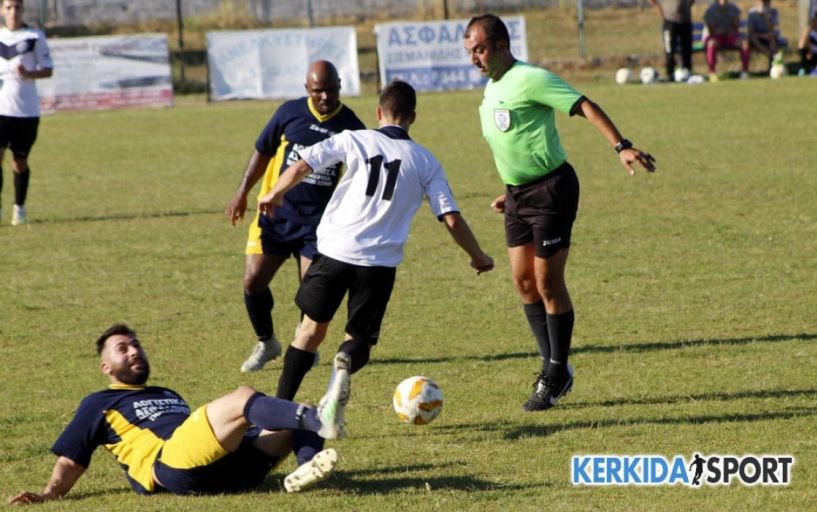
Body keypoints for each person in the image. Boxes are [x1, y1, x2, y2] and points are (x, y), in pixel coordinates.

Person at [257, 80, 494, 437]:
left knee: (309, 332)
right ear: (413, 117)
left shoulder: (355, 138)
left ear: (379, 113)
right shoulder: (426, 161)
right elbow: (451, 218)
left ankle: (278, 414)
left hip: (334, 251)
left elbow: (302, 165)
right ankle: (344, 366)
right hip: (378, 265)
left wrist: (275, 193)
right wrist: (478, 256)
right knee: (359, 342)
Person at [463, 14, 656, 412]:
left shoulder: (530, 78)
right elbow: (515, 142)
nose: (474, 59)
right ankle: (554, 366)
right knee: (522, 283)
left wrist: (621, 146)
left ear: (501, 45)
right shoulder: (492, 88)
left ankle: (554, 372)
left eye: (480, 49)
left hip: (552, 190)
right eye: (470, 52)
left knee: (547, 282)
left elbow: (583, 104)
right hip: (518, 197)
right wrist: (508, 192)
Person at [8, 323, 341, 504]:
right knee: (244, 397)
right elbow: (71, 459)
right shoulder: (99, 402)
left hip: (230, 469)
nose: (134, 350)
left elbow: (208, 435)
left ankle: (307, 467)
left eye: (136, 344)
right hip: (170, 466)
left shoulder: (168, 393)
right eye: (123, 349)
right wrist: (49, 494)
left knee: (295, 414)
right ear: (106, 367)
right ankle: (318, 420)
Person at [225, 60, 365, 373]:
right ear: (307, 89)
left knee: (311, 293)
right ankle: (266, 342)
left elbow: (365, 170)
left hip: (318, 224)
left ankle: (304, 345)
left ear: (340, 86)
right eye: (318, 91)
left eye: (331, 90)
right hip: (273, 215)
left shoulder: (351, 126)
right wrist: (242, 192)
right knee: (252, 281)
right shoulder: (289, 113)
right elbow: (262, 151)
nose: (325, 97)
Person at [0, 0, 53, 226]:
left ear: (23, 9)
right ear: (2, 10)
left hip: (26, 111)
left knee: (19, 161)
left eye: (17, 7)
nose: (13, 12)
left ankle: (19, 207)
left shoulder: (34, 36)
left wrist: (29, 73)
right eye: (9, 7)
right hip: (1, 109)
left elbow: (48, 70)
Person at [703, 0, 751, 80]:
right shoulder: (710, 10)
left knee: (744, 44)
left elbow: (736, 26)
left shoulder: (733, 9)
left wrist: (730, 30)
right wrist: (719, 32)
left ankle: (744, 72)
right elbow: (711, 29)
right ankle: (712, 73)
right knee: (711, 44)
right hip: (716, 37)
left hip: (730, 36)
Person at [650, 0, 695, 81]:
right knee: (669, 50)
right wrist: (660, 10)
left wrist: (688, 6)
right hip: (670, 21)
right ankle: (670, 74)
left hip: (685, 21)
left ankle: (687, 73)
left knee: (687, 49)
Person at [747, 0, 783, 72]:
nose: (765, 4)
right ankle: (769, 54)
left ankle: (773, 67)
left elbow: (773, 29)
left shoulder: (773, 11)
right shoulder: (752, 13)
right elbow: (751, 31)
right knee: (753, 38)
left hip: (768, 36)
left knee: (772, 38)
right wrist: (761, 35)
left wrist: (765, 17)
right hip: (757, 37)